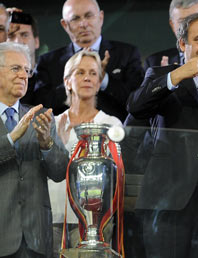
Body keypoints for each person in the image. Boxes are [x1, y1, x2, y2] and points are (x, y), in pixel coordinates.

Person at [127, 11, 198, 258]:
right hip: (167, 199)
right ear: (183, 44)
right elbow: (136, 107)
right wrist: (177, 75)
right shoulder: (161, 76)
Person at [47, 49, 122, 257]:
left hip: (96, 221)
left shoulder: (111, 125)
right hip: (55, 217)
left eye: (93, 73)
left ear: (99, 83)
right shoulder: (52, 123)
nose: (87, 78)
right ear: (67, 81)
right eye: (79, 73)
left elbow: (115, 177)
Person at [0, 41, 68, 258]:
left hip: (36, 238)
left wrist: (47, 143)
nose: (24, 75)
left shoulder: (41, 117)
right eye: (15, 68)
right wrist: (11, 138)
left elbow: (59, 172)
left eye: (27, 70)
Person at [33, 0, 144, 122]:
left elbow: (137, 101)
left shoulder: (127, 53)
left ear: (100, 18)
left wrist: (103, 79)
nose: (83, 24)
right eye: (75, 18)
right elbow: (40, 105)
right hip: (64, 135)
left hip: (116, 134)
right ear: (65, 25)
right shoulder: (48, 61)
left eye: (89, 16)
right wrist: (73, 80)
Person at [144, 0, 198, 71]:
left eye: (196, 20)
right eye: (182, 21)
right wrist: (166, 80)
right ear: (172, 25)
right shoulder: (154, 63)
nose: (190, 27)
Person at [7, 10, 40, 105]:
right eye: (11, 36)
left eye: (24, 35)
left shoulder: (51, 79)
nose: (17, 42)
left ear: (36, 42)